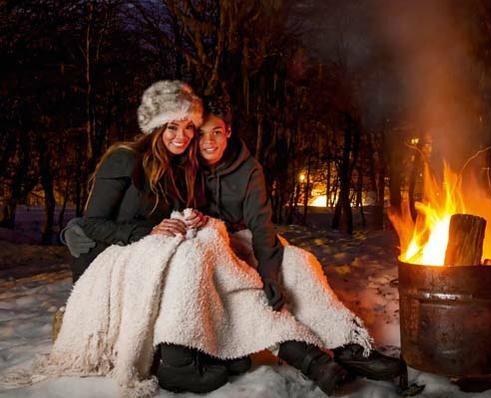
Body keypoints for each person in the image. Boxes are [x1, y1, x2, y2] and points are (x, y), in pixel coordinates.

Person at [194, 94, 404, 395]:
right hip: (206, 243)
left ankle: (349, 346)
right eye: (201, 133)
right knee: (247, 285)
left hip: (242, 237)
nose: (208, 141)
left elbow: (261, 225)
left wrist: (271, 273)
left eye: (216, 132)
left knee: (299, 262)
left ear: (228, 131)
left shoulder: (248, 168)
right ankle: (310, 359)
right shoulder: (184, 162)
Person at [62, 80, 232, 393]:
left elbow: (171, 220)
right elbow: (93, 223)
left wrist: (193, 217)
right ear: (155, 127)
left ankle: (217, 343)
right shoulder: (124, 158)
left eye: (188, 128)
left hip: (147, 251)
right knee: (181, 257)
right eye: (171, 127)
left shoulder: (180, 167)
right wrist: (147, 231)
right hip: (104, 253)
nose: (181, 137)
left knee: (203, 244)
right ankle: (178, 364)